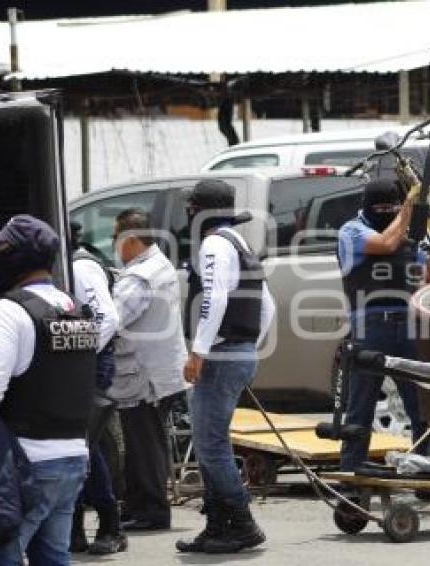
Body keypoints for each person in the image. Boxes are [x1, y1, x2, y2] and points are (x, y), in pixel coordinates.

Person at [0, 215, 97, 564]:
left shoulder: (9, 311)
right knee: (53, 558)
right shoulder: (76, 309)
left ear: (16, 255)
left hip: (26, 466)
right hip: (72, 458)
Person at [176, 179, 274, 554]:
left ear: (199, 211)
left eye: (190, 208)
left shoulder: (214, 244)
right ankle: (217, 526)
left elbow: (214, 298)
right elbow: (268, 306)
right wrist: (249, 345)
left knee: (210, 445)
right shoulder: (240, 243)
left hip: (220, 356)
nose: (187, 215)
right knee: (210, 444)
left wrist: (200, 351)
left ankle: (242, 525)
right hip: (239, 351)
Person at [336, 179, 430, 473]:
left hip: (409, 324)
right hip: (369, 327)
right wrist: (407, 209)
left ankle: (425, 467)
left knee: (420, 404)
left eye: (391, 207)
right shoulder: (352, 231)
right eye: (379, 207)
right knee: (360, 405)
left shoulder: (408, 235)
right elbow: (385, 244)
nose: (385, 211)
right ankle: (351, 471)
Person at [109, 208, 187, 531]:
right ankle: (140, 505)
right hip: (158, 371)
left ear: (130, 240)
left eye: (116, 238)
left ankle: (152, 511)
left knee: (144, 443)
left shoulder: (139, 276)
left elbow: (112, 319)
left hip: (144, 375)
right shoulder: (159, 265)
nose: (114, 244)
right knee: (145, 440)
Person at [67, 221, 127, 555]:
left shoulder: (80, 267)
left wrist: (81, 359)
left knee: (85, 448)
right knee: (76, 448)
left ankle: (110, 524)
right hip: (77, 363)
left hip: (89, 363)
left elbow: (108, 318)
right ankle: (75, 527)